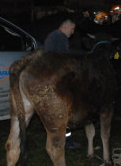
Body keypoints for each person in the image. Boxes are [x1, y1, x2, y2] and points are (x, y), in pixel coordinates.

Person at [43, 18, 80, 149]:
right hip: (57, 81)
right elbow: (64, 57)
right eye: (72, 29)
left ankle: (57, 139)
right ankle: (66, 142)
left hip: (49, 79)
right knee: (64, 112)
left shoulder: (52, 35)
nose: (73, 32)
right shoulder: (60, 37)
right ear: (65, 27)